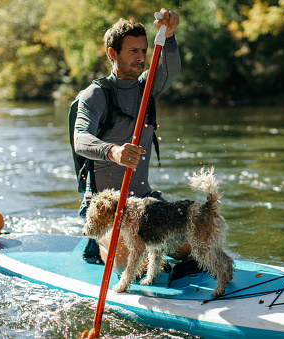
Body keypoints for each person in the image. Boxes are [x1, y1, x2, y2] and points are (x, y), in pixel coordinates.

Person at [75, 9, 201, 282]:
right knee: (131, 262)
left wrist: (168, 37)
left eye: (144, 50)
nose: (141, 57)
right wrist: (113, 150)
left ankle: (161, 254)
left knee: (195, 246)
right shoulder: (95, 95)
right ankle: (99, 244)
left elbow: (171, 68)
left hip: (145, 202)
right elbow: (80, 139)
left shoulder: (148, 88)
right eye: (132, 51)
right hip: (107, 206)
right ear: (112, 54)